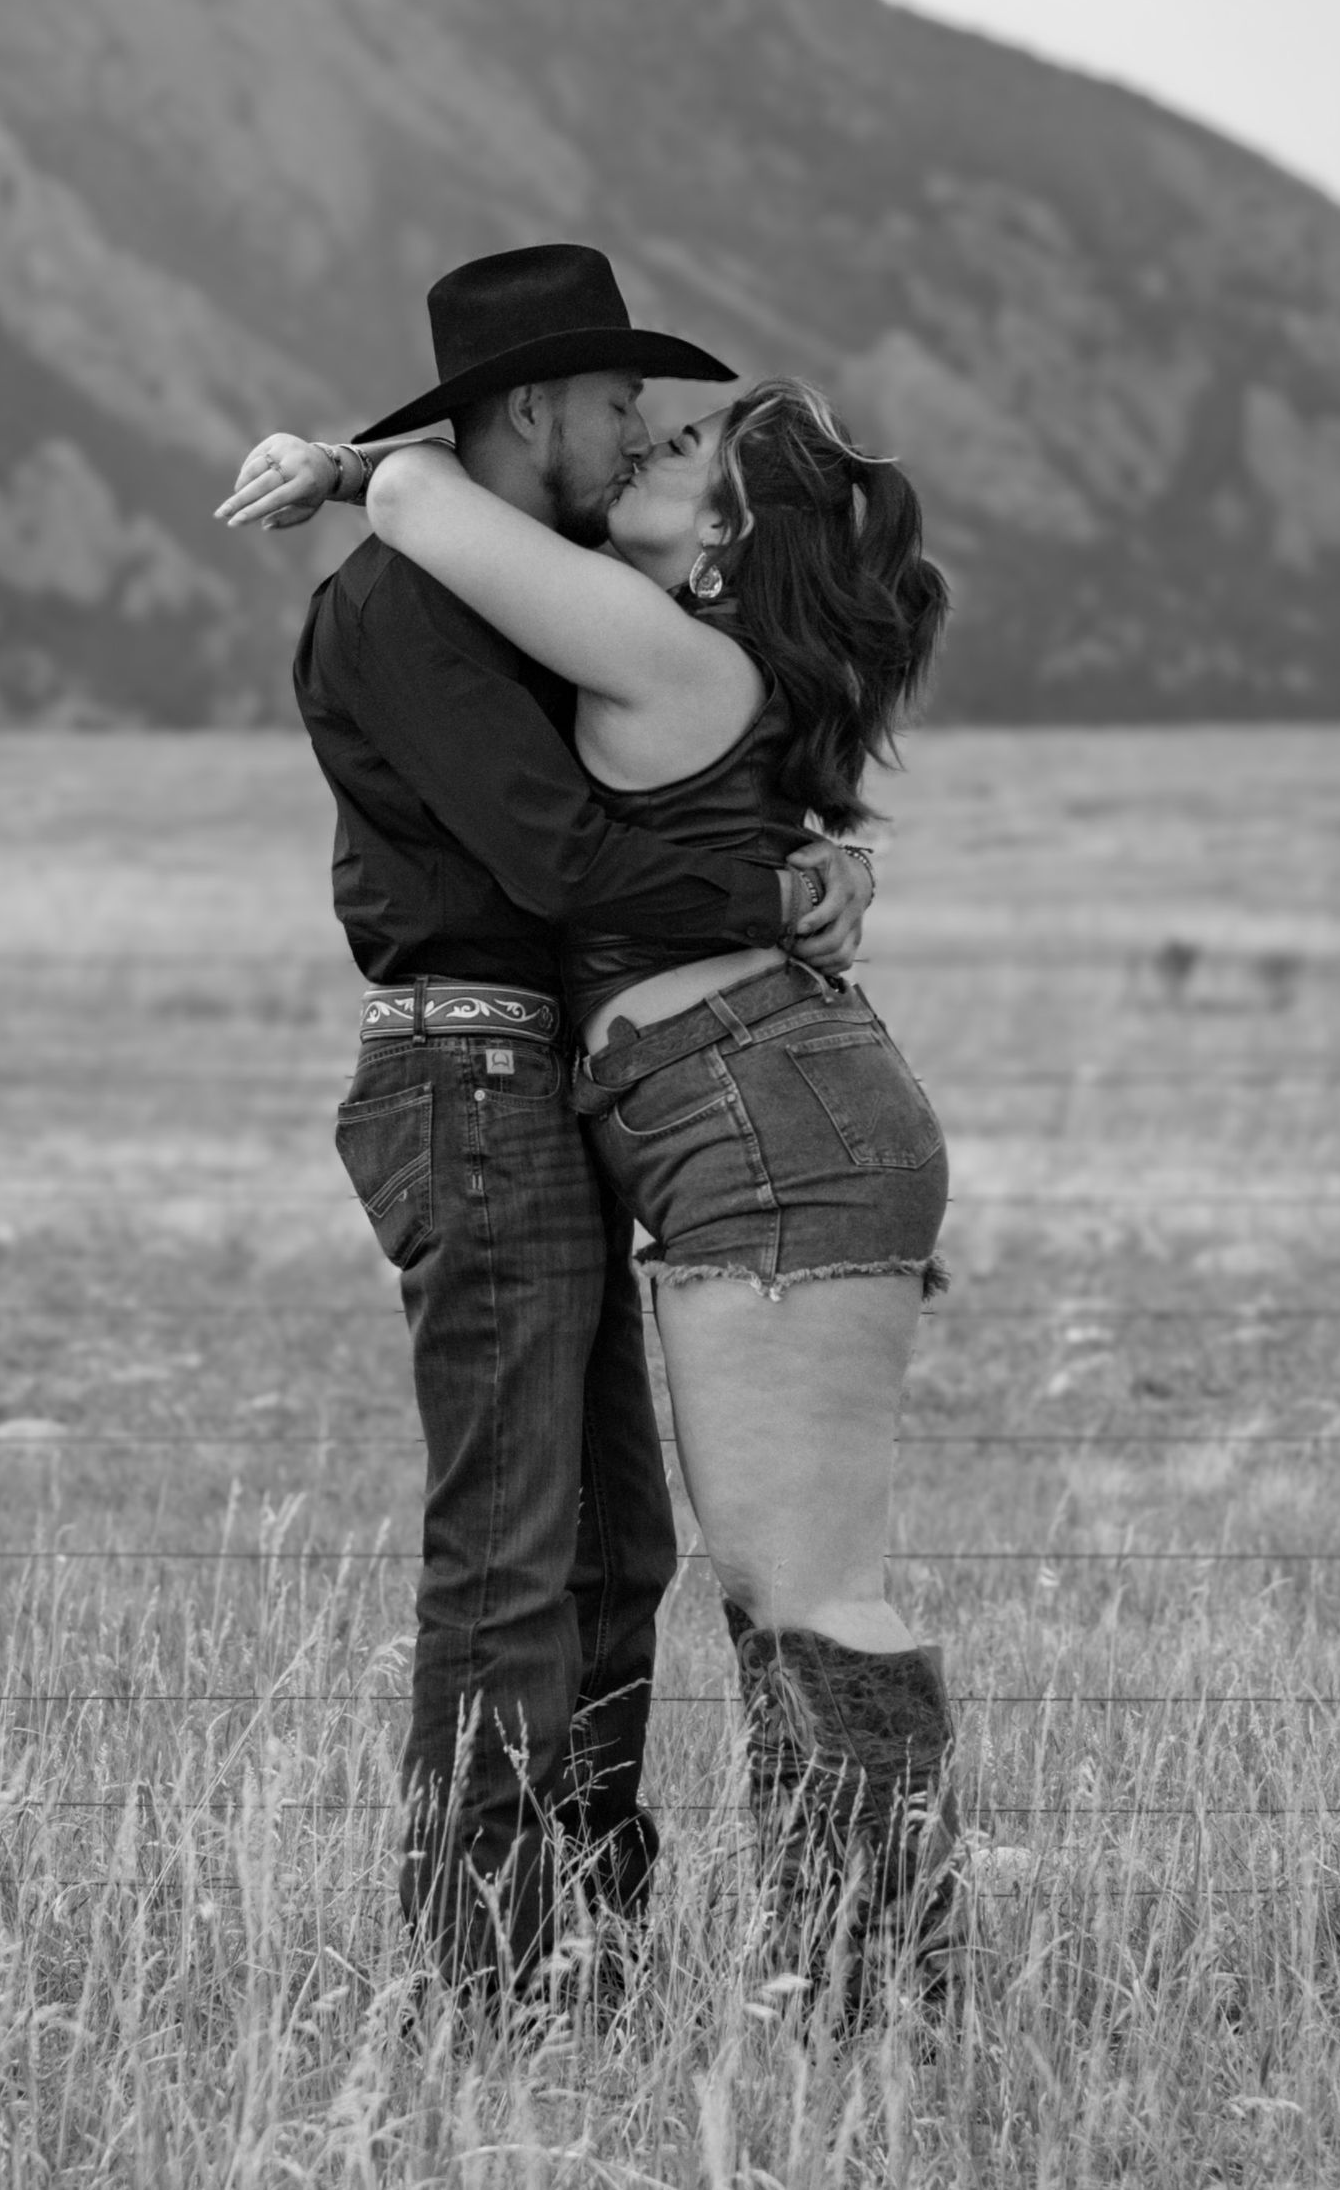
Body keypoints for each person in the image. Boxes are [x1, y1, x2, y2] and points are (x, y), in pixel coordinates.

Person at [217, 245, 873, 2003]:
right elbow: (562, 858)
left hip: (536, 1083)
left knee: (611, 1545)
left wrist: (812, 846)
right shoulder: (400, 611)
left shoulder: (524, 585)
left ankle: (588, 1922)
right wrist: (770, 889)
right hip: (468, 1079)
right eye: (616, 401)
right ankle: (494, 1968)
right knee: (512, 1550)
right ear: (530, 410)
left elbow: (670, 750)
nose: (641, 428)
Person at [328, 369, 962, 2018]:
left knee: (809, 1594)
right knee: (784, 1591)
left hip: (771, 1123)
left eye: (680, 445)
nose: (642, 443)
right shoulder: (674, 642)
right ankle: (852, 1982)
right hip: (753, 1112)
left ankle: (874, 1998)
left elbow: (412, 497)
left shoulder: (669, 649)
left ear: (725, 531)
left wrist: (339, 461)